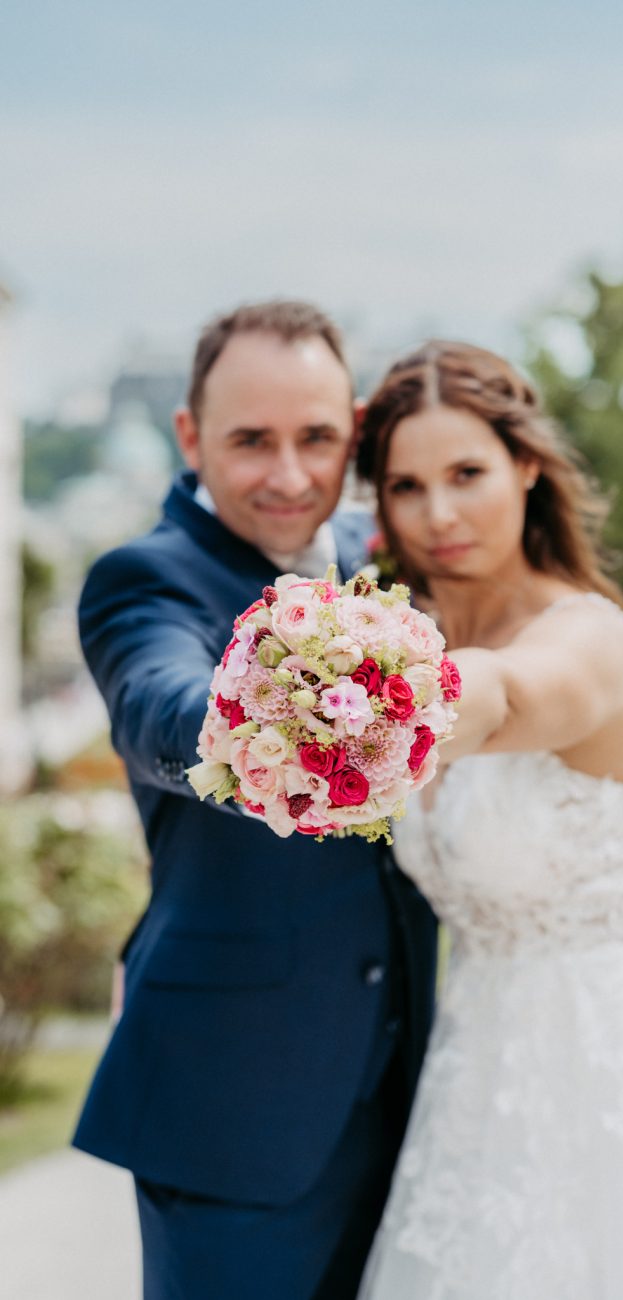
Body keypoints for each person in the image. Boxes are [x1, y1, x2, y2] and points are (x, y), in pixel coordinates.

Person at [72, 300, 437, 1300]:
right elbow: (164, 709)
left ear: (354, 431)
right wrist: (289, 720)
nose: (287, 474)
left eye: (315, 437)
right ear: (190, 436)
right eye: (249, 440)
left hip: (413, 1094)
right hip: (231, 1108)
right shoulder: (143, 580)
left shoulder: (387, 555)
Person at [355, 340, 623, 1299]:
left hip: (605, 1068)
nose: (439, 515)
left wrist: (395, 705)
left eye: (467, 474)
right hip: (468, 1079)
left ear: (528, 466)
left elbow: (509, 692)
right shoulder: (394, 632)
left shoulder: (589, 640)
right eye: (406, 486)